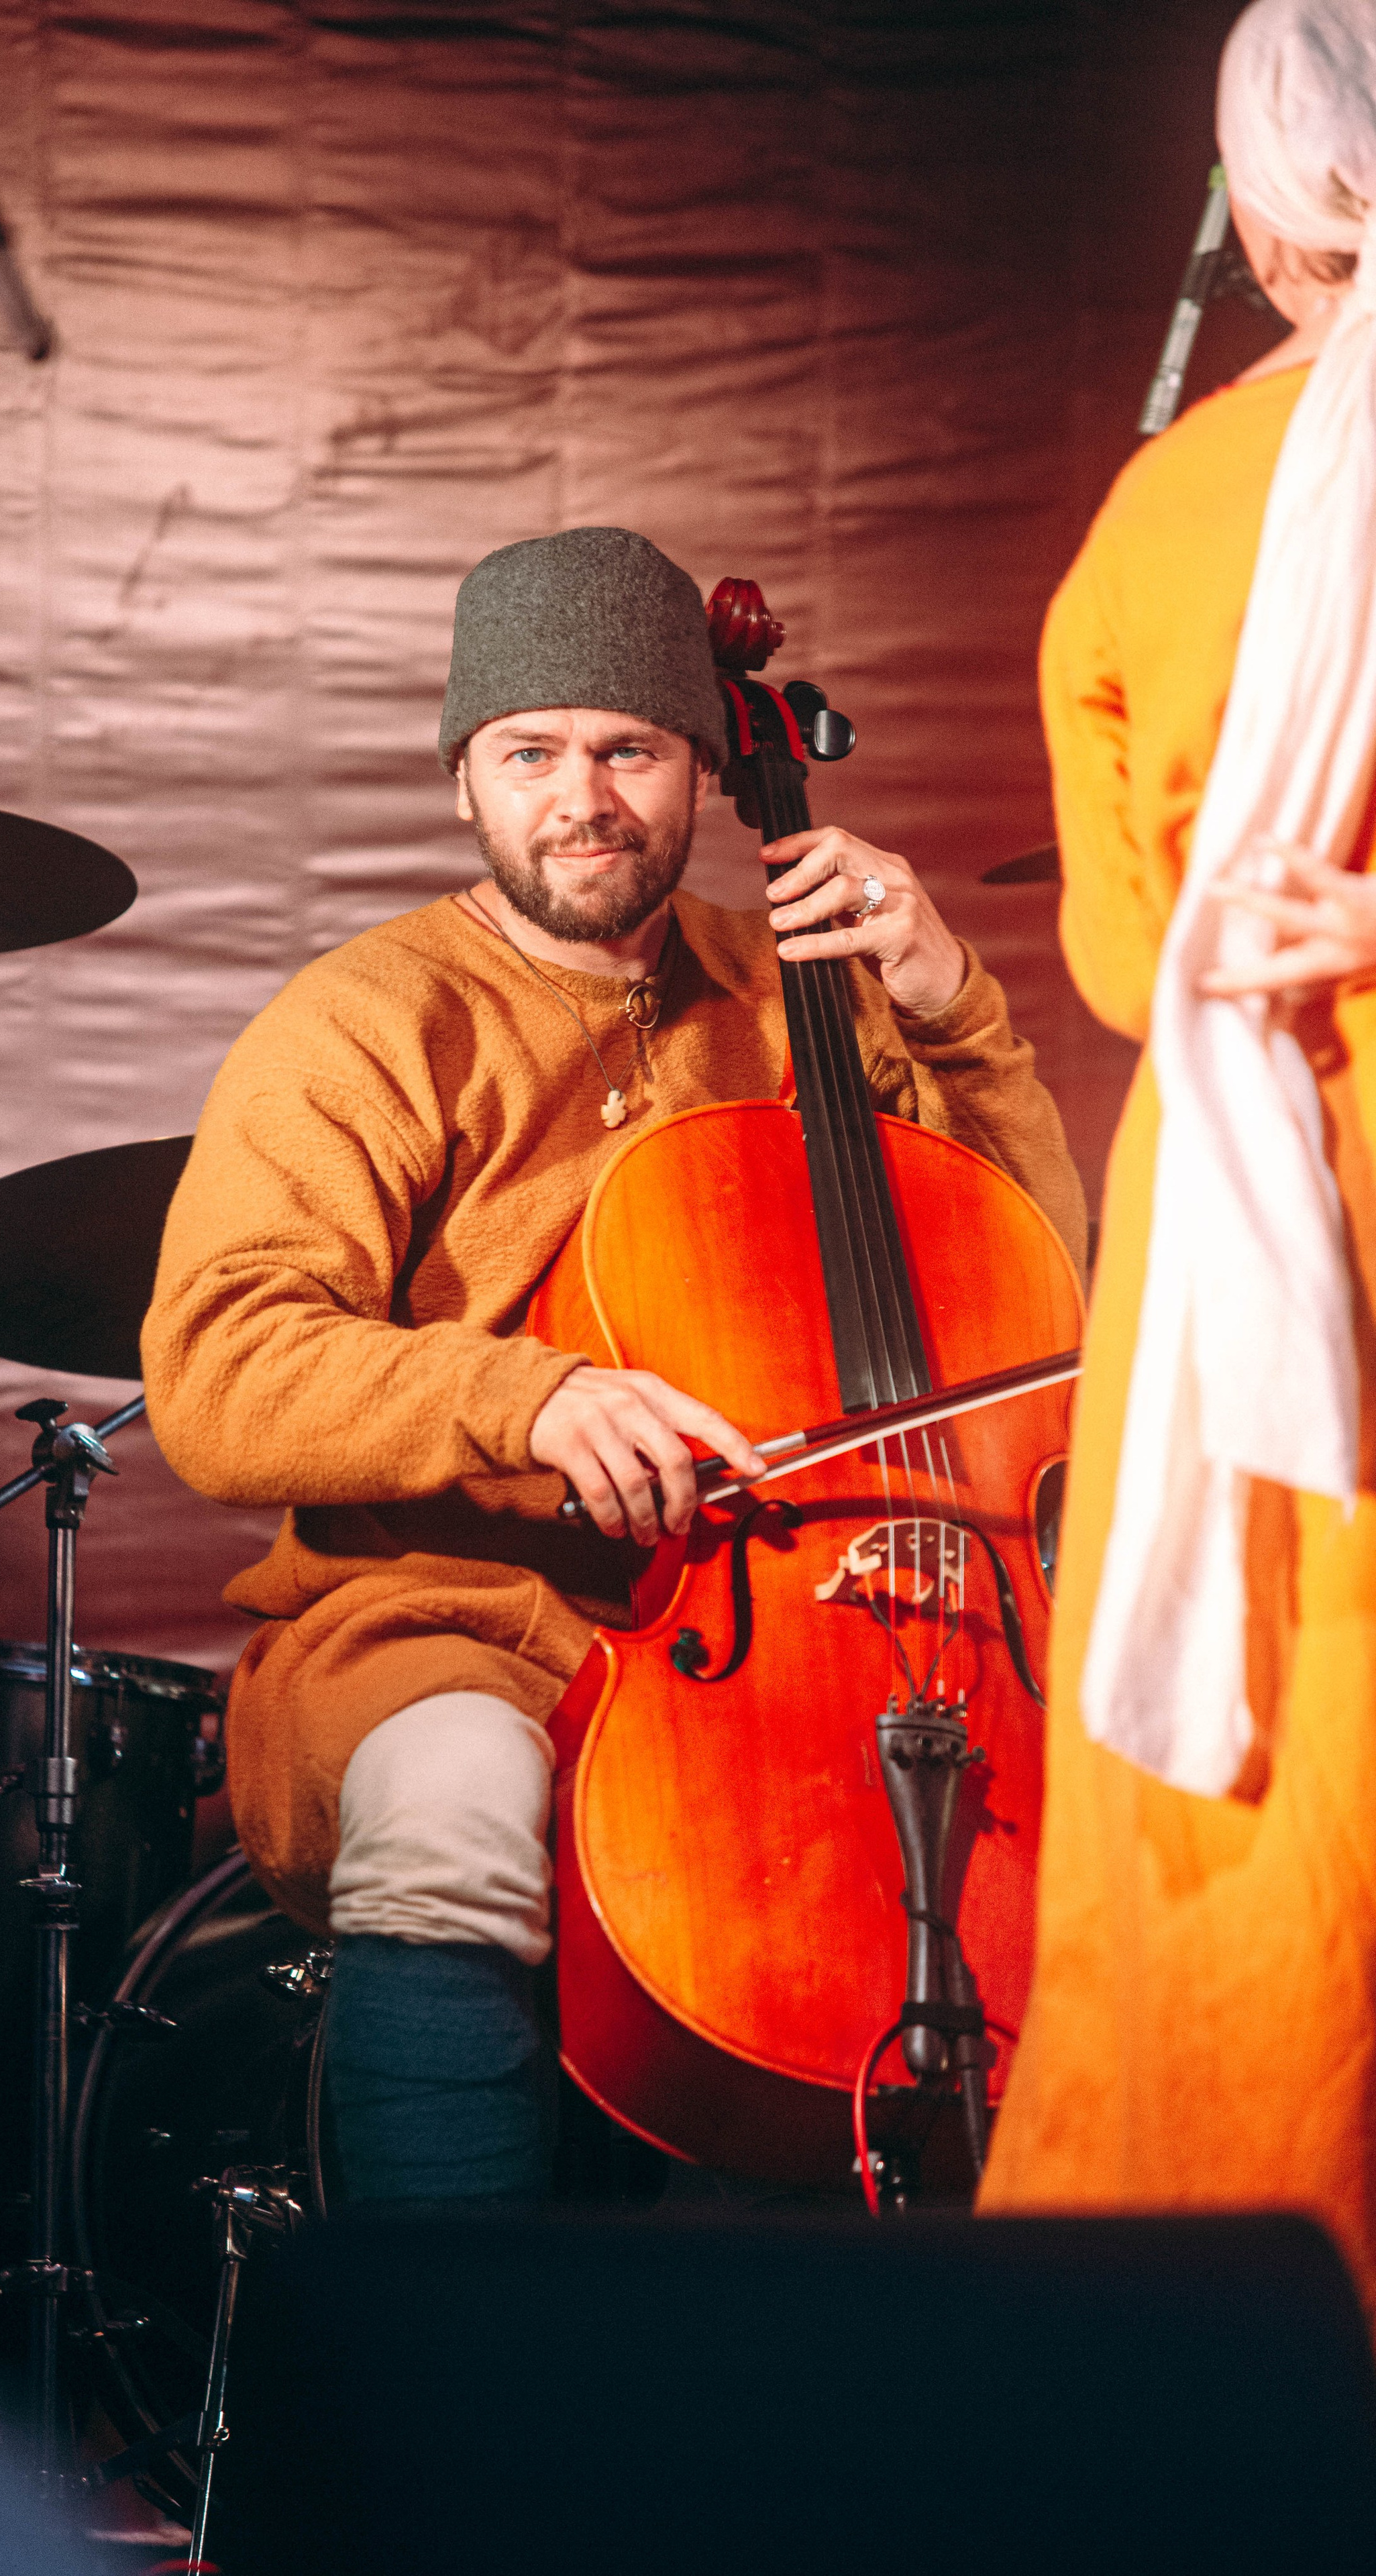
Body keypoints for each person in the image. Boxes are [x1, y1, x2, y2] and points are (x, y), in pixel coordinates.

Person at [142, 524, 1086, 2208]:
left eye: (629, 749)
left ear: (705, 769)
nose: (581, 796)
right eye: (531, 752)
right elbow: (220, 1366)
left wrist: (951, 1010)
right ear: (463, 783)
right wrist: (525, 1398)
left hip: (809, 1599)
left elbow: (1030, 1289)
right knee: (453, 1804)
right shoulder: (370, 1019)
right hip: (447, 1622)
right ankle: (462, 2350)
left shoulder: (806, 988)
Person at [980, 0, 1376, 2322]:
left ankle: (1187, 2362)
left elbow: (1131, 952)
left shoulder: (1160, 512)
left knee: (1231, 1821)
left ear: (1246, 202)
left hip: (1230, 1227)